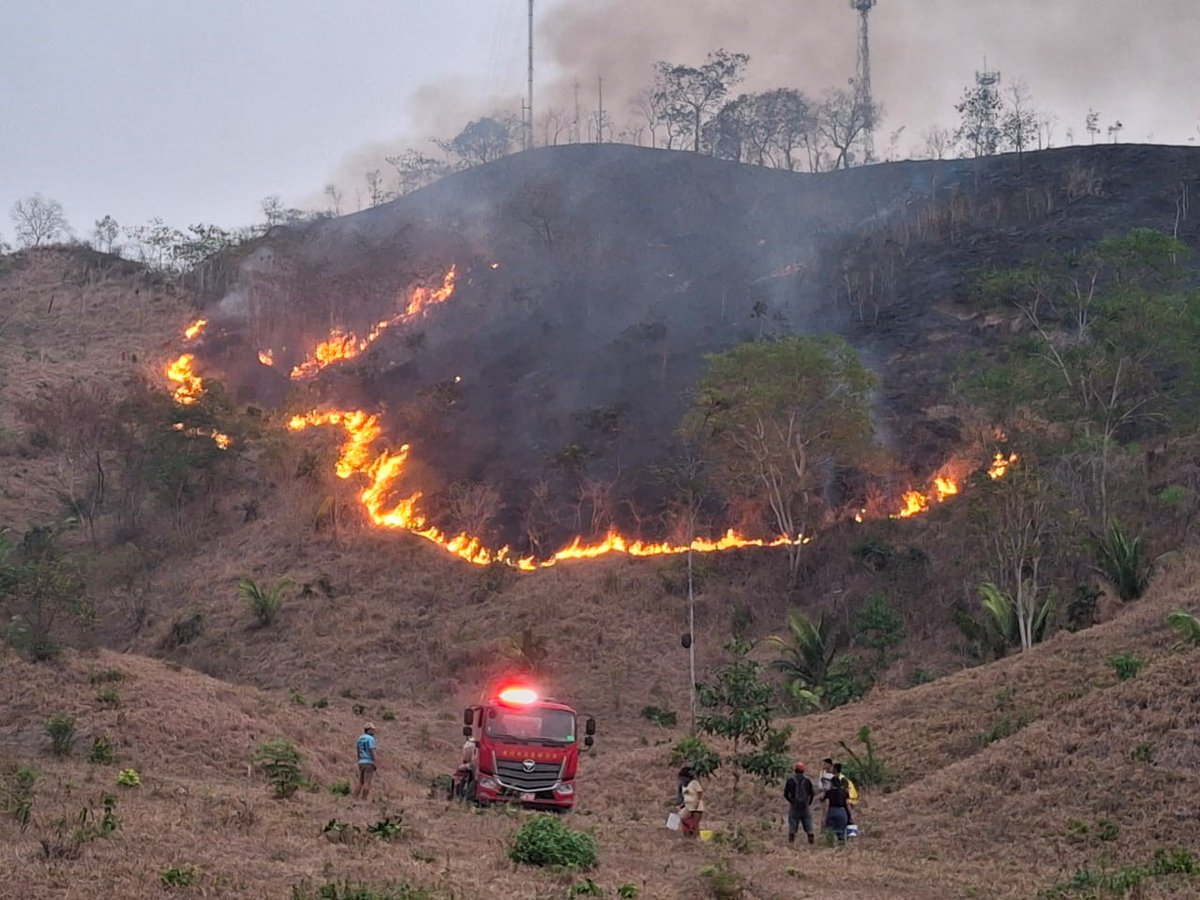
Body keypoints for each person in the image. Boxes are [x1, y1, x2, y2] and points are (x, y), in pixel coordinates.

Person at [784, 761, 816, 844]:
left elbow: (786, 794)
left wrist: (791, 801)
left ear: (795, 770)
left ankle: (791, 843)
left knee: (793, 823)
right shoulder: (807, 780)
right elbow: (812, 793)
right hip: (805, 806)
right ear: (803, 771)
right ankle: (811, 842)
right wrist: (809, 803)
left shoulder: (790, 780)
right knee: (808, 823)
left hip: (794, 806)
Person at [820, 770, 851, 844]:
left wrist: (824, 818)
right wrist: (850, 815)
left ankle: (830, 845)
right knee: (841, 832)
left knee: (830, 831)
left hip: (831, 811)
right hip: (842, 812)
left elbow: (826, 804)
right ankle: (841, 847)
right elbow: (848, 804)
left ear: (831, 783)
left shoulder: (829, 792)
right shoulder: (844, 792)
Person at [678, 767, 704, 837]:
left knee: (695, 824)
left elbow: (699, 793)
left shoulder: (694, 783)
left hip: (696, 808)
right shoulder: (683, 786)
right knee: (683, 818)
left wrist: (697, 802)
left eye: (683, 778)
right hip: (688, 807)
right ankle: (688, 836)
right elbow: (685, 796)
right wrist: (682, 804)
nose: (682, 780)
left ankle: (694, 839)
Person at [354, 723, 377, 800]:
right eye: (372, 729)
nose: (374, 731)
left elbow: (358, 751)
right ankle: (364, 799)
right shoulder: (370, 739)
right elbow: (372, 750)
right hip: (368, 761)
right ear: (369, 730)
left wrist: (359, 759)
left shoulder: (360, 738)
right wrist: (375, 761)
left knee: (360, 781)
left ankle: (355, 798)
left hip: (361, 761)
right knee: (367, 781)